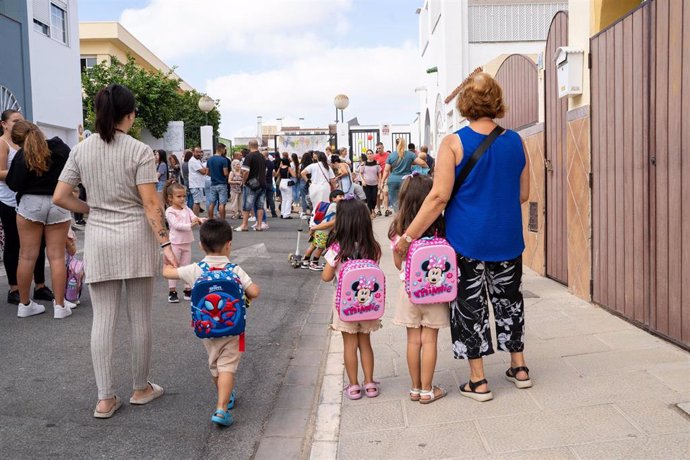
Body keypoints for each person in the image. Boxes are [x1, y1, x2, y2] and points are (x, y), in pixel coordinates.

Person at [394, 72, 531, 402]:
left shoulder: (453, 143)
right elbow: (524, 194)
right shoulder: (517, 141)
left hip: (467, 240)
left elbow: (439, 197)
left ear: (465, 105)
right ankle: (520, 368)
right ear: (496, 101)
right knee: (510, 301)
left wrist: (407, 238)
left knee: (470, 306)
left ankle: (478, 380)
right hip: (508, 238)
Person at [53, 83, 176, 418]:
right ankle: (140, 388)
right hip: (137, 238)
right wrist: (166, 244)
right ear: (130, 115)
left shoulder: (81, 150)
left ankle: (105, 398)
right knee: (140, 318)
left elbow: (60, 196)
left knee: (102, 319)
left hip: (101, 239)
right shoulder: (139, 151)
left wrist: (90, 207)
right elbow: (151, 204)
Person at [163, 219, 260, 427]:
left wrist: (168, 261)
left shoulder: (196, 269)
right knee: (228, 367)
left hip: (207, 329)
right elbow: (254, 292)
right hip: (232, 329)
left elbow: (168, 273)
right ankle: (221, 408)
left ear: (201, 246)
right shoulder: (234, 270)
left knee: (215, 365)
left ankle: (225, 395)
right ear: (229, 245)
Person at [388, 174, 449, 403]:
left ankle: (414, 388)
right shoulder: (442, 226)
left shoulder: (398, 228)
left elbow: (397, 264)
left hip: (409, 291)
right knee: (430, 341)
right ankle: (428, 389)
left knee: (413, 341)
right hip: (436, 292)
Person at [6, 121, 75, 318]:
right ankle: (60, 307)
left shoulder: (22, 155)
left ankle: (25, 304)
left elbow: (13, 184)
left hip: (30, 205)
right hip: (58, 201)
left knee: (27, 256)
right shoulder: (59, 146)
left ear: (18, 141)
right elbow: (71, 168)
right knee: (57, 256)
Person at [322, 197, 382, 400]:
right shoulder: (371, 247)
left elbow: (326, 277)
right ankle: (370, 383)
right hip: (368, 306)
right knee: (365, 343)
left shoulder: (337, 249)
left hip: (345, 306)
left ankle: (354, 386)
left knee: (349, 344)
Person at [0, 109, 52, 306]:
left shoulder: (27, 141)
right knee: (14, 245)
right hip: (8, 200)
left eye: (21, 120)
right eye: (14, 121)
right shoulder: (3, 143)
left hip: (29, 199)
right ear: (4, 124)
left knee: (38, 244)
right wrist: (22, 171)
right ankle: (14, 289)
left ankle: (40, 286)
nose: (18, 123)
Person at [164, 182, 203, 303]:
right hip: (175, 243)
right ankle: (172, 291)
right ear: (170, 198)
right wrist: (191, 225)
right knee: (174, 267)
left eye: (184, 196)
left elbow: (193, 217)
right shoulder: (170, 211)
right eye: (179, 196)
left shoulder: (186, 208)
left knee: (186, 267)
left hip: (187, 242)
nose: (182, 199)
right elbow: (176, 225)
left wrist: (199, 220)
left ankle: (187, 290)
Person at [302, 189, 344, 270]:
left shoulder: (332, 205)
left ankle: (305, 261)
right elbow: (341, 214)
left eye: (343, 196)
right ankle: (314, 263)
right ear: (333, 198)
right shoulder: (334, 206)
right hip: (323, 231)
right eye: (340, 196)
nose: (343, 198)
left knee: (313, 246)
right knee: (320, 247)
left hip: (319, 229)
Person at [382, 140, 427, 211]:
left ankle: (398, 216)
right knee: (406, 201)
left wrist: (382, 181)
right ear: (405, 145)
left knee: (395, 203)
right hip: (405, 180)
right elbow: (422, 163)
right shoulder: (410, 154)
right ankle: (405, 217)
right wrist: (427, 168)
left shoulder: (391, 155)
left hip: (393, 181)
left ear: (396, 144)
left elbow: (386, 170)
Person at [235, 139, 266, 232]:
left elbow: (245, 171)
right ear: (257, 146)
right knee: (260, 206)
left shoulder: (249, 156)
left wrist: (244, 181)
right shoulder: (262, 156)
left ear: (249, 146)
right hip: (262, 184)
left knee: (247, 205)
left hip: (251, 184)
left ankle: (244, 225)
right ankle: (259, 225)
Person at [206, 143, 229, 220]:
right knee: (222, 204)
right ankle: (222, 221)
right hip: (222, 184)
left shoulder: (210, 159)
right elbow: (225, 173)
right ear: (222, 149)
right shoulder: (223, 160)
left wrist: (213, 175)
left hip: (213, 184)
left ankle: (210, 219)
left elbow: (207, 172)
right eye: (224, 149)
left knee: (212, 203)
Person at [360, 149, 382, 218]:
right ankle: (371, 212)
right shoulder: (364, 164)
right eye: (368, 154)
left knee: (374, 199)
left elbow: (379, 173)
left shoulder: (377, 163)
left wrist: (380, 182)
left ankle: (372, 209)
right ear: (367, 155)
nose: (369, 155)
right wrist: (362, 180)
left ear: (373, 155)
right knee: (369, 198)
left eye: (370, 153)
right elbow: (360, 173)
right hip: (366, 184)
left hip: (375, 184)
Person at [188, 146, 208, 216]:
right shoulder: (193, 161)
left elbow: (205, 169)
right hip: (195, 185)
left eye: (200, 152)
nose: (199, 154)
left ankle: (196, 218)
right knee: (196, 202)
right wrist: (205, 170)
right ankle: (195, 218)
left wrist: (205, 170)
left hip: (198, 184)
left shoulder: (198, 160)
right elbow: (203, 171)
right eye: (197, 152)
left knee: (198, 202)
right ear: (193, 152)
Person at [372, 142, 388, 216]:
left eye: (380, 148)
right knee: (378, 194)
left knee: (385, 192)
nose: (378, 150)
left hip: (386, 176)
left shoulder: (388, 155)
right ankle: (378, 210)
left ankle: (386, 209)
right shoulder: (375, 157)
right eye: (377, 148)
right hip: (377, 178)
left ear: (383, 147)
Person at [298, 152, 314, 219]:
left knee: (304, 198)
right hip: (311, 181)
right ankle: (312, 212)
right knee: (311, 198)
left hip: (302, 181)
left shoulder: (301, 165)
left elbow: (299, 173)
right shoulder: (312, 164)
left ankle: (304, 212)